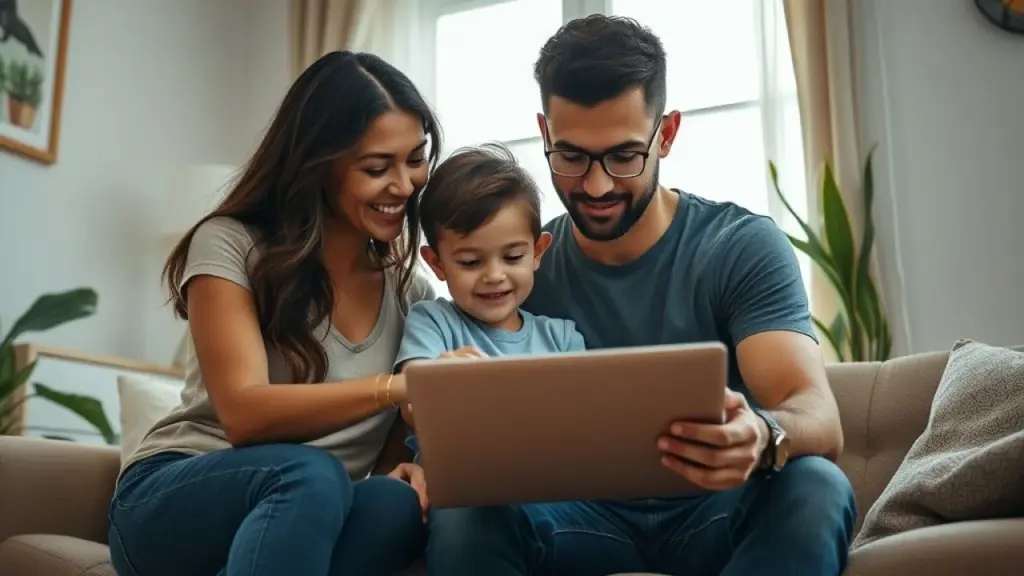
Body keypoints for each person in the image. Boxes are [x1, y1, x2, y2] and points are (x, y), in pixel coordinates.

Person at [426, 15, 856, 576]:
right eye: (572, 157)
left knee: (817, 484)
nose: (597, 185)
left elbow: (818, 416)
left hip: (717, 507)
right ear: (545, 133)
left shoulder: (738, 246)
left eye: (624, 156)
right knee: (464, 513)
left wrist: (763, 431)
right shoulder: (517, 265)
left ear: (667, 134)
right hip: (578, 517)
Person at [107, 51, 440, 576]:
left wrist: (413, 465)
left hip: (308, 522)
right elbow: (242, 414)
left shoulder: (412, 296)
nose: (404, 185)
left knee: (399, 506)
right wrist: (392, 388)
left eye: (415, 158)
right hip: (176, 498)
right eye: (377, 167)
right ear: (317, 164)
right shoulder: (230, 245)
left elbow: (385, 456)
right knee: (312, 475)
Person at [391, 143, 587, 461]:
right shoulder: (432, 322)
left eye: (512, 257)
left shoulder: (562, 338)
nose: (494, 275)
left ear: (537, 252)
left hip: (546, 488)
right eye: (470, 262)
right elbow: (412, 408)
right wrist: (434, 384)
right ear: (437, 263)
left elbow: (582, 422)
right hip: (460, 485)